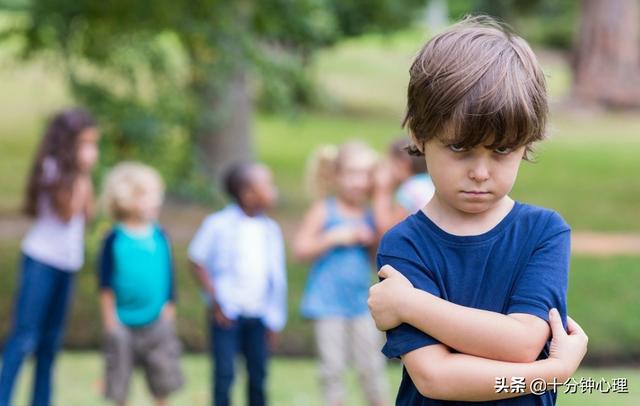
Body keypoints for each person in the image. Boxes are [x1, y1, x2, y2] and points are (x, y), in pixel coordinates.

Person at [366, 17, 588, 405]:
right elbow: (436, 378)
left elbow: (520, 342)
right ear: (419, 135)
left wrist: (408, 304)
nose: (481, 173)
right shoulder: (405, 244)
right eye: (459, 148)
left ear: (527, 142)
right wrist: (550, 372)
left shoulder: (544, 232)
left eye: (502, 150)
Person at [0, 108, 99, 406]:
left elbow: (88, 215)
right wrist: (82, 173)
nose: (92, 151)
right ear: (70, 142)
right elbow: (67, 213)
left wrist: (86, 176)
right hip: (41, 261)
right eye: (87, 143)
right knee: (24, 337)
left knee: (50, 344)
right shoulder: (52, 168)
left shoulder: (79, 176)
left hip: (68, 264)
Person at [294, 142, 389, 406]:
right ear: (336, 175)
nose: (358, 182)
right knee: (332, 369)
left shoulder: (371, 215)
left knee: (371, 366)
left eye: (365, 174)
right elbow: (300, 249)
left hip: (361, 305)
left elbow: (379, 259)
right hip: (327, 305)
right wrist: (333, 237)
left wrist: (371, 237)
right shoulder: (325, 210)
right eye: (351, 173)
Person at [188, 162, 287, 406]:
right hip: (227, 314)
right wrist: (214, 299)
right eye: (268, 186)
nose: (274, 191)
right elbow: (197, 259)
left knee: (258, 375)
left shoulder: (270, 229)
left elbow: (276, 276)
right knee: (224, 374)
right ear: (248, 194)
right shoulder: (218, 224)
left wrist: (275, 318)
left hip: (260, 315)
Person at [98, 162, 184, 406]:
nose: (156, 201)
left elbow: (169, 272)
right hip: (122, 322)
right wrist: (110, 322)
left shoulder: (160, 235)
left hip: (157, 319)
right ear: (127, 198)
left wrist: (170, 306)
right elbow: (105, 284)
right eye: (148, 195)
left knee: (162, 378)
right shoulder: (113, 239)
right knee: (119, 381)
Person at [372, 137, 435, 236]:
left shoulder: (412, 188)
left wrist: (382, 189)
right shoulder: (429, 182)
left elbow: (387, 230)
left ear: (403, 163)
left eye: (389, 162)